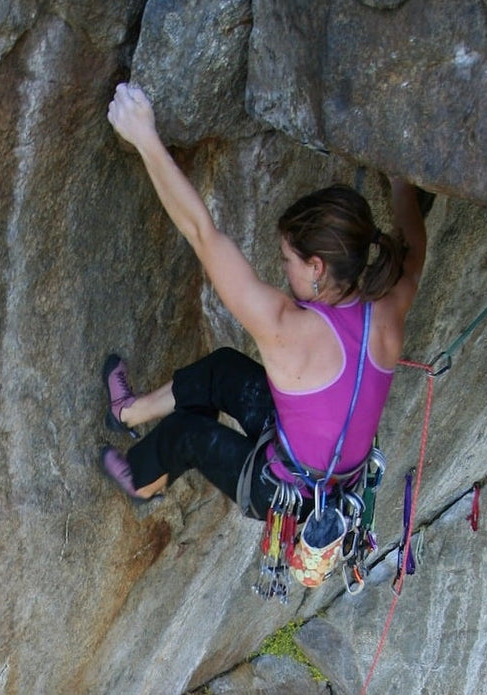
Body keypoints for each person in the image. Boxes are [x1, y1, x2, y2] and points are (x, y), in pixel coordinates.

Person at [98, 83, 428, 519]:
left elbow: (203, 234)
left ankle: (143, 480)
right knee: (222, 369)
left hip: (282, 494)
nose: (282, 268)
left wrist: (146, 139)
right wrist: (403, 185)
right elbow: (414, 247)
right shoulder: (389, 308)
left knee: (190, 435)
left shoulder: (286, 329)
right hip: (327, 470)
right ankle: (129, 413)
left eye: (286, 259)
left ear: (316, 268)